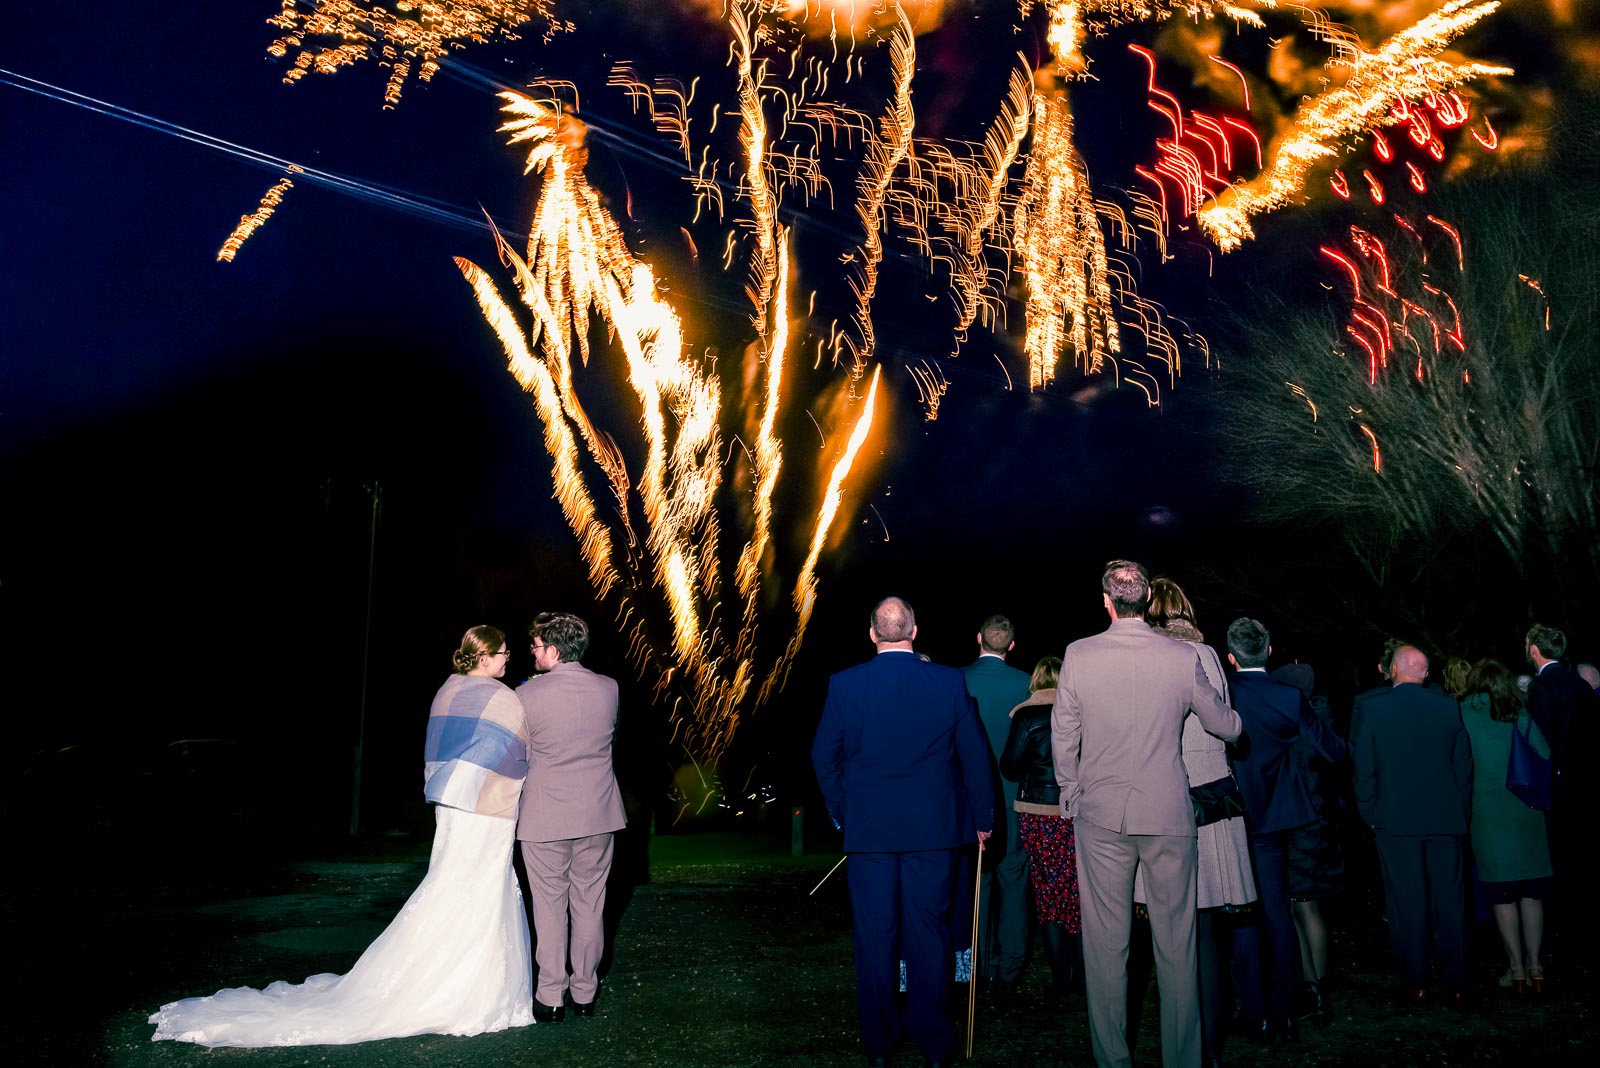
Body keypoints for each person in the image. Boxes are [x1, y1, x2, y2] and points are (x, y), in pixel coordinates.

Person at [150, 626, 533, 1046]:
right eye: (502, 653)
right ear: (482, 657)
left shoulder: (447, 690)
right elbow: (517, 750)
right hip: (486, 809)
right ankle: (466, 990)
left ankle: (454, 979)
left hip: (452, 805)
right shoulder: (502, 698)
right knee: (478, 890)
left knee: (451, 885)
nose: (506, 658)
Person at [1052, 560, 1241, 1068]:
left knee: (1106, 947)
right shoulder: (1182, 657)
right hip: (1168, 813)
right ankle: (1183, 1060)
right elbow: (1225, 726)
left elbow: (1064, 731)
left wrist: (1070, 789)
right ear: (1148, 603)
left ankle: (1113, 1059)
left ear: (1107, 602)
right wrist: (1237, 713)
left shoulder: (1079, 654)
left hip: (1100, 815)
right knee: (1177, 948)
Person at [813, 596, 994, 1068]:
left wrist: (843, 812)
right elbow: (974, 757)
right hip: (933, 832)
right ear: (915, 630)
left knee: (875, 937)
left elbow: (823, 757)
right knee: (929, 934)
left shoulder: (846, 684)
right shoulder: (948, 680)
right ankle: (934, 1041)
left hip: (870, 834)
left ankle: (879, 1042)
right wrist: (983, 819)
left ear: (872, 634)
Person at [1125, 579, 1256, 1068]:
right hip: (1205, 798)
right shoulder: (1204, 654)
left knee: (1176, 938)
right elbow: (1224, 723)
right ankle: (1205, 1047)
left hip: (1172, 802)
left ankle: (1193, 1047)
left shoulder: (1148, 658)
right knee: (1203, 936)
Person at [1225, 620, 1347, 1038]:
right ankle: (1282, 1008)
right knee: (1277, 913)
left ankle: (1255, 1007)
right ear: (1269, 651)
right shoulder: (1289, 697)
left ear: (1230, 656)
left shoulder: (1224, 695)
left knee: (1243, 913)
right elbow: (1333, 749)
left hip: (1236, 816)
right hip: (1281, 816)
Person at [516, 611, 626, 1023]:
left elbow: (520, 754)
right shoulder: (609, 688)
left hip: (546, 816)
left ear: (555, 650)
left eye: (537, 646)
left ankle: (551, 995)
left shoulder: (526, 695)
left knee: (548, 906)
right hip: (598, 813)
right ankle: (585, 992)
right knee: (589, 904)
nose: (532, 652)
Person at [1353, 645, 1472, 1004]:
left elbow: (1364, 768)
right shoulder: (1449, 706)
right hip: (1444, 819)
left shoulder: (1373, 708)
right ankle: (1455, 981)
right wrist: (1460, 810)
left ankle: (1416, 979)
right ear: (1425, 673)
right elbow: (1463, 766)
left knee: (1408, 900)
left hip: (1395, 820)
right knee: (1450, 900)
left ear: (1392, 669)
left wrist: (1370, 813)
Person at [1461, 659, 1552, 994]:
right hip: (1526, 813)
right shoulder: (1521, 714)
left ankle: (1514, 970)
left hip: (1487, 816)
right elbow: (1543, 754)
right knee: (1531, 893)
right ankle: (1536, 967)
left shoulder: (1463, 716)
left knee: (1501, 896)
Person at [999, 655, 1083, 1000]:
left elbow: (1009, 765)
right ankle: (1083, 976)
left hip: (1037, 813)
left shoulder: (1026, 716)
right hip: (1076, 812)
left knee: (1048, 895)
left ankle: (1061, 978)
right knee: (1078, 892)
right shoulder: (1081, 712)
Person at [963, 614, 1033, 995]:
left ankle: (978, 960)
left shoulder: (957, 680)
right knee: (1014, 879)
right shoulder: (1025, 685)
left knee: (978, 883)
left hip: (971, 802)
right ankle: (1011, 964)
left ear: (978, 638)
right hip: (1012, 799)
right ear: (1010, 645)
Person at [1271, 661, 1344, 1022]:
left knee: (1301, 905)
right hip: (1321, 823)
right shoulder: (1322, 717)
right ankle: (1314, 985)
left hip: (1299, 822)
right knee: (1307, 904)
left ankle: (1312, 986)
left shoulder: (1295, 723)